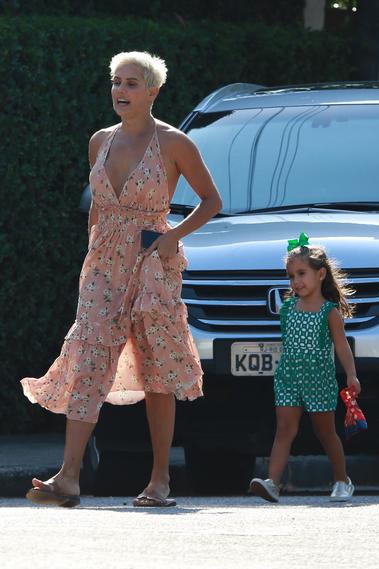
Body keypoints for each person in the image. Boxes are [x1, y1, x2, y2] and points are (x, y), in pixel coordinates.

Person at [21, 51, 222, 508]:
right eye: (116, 82)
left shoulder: (174, 143)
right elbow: (96, 205)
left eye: (132, 83)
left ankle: (160, 480)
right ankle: (68, 476)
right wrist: (93, 249)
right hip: (103, 263)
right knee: (89, 353)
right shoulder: (100, 141)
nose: (121, 91)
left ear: (153, 91)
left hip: (153, 260)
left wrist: (175, 235)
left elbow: (211, 201)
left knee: (157, 367)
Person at [249, 233, 361, 503]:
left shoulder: (329, 312)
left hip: (319, 378)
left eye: (301, 273)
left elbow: (342, 346)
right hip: (289, 377)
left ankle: (341, 480)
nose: (295, 281)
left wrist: (351, 374)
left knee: (325, 431)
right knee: (285, 428)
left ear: (321, 274)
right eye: (291, 276)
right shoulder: (288, 308)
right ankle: (272, 483)